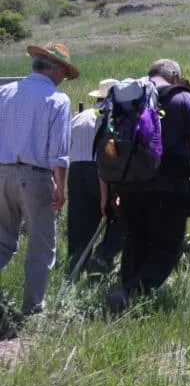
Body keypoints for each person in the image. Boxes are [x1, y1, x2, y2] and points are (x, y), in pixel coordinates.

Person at [103, 59, 190, 312]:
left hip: (129, 185)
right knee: (168, 247)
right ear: (174, 75)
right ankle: (130, 294)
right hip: (169, 186)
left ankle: (125, 298)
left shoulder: (129, 97)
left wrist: (111, 189)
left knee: (135, 242)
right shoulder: (183, 98)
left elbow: (111, 146)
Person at [0, 43, 75, 325]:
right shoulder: (57, 99)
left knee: (2, 239)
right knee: (41, 243)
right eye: (65, 73)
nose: (64, 78)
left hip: (2, 171)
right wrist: (60, 186)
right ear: (55, 68)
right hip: (35, 175)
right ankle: (33, 309)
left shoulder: (5, 92)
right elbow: (58, 153)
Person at [66, 78, 122, 278]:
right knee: (120, 214)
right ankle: (104, 255)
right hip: (102, 170)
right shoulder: (115, 118)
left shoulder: (80, 117)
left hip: (76, 170)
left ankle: (76, 262)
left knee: (80, 220)